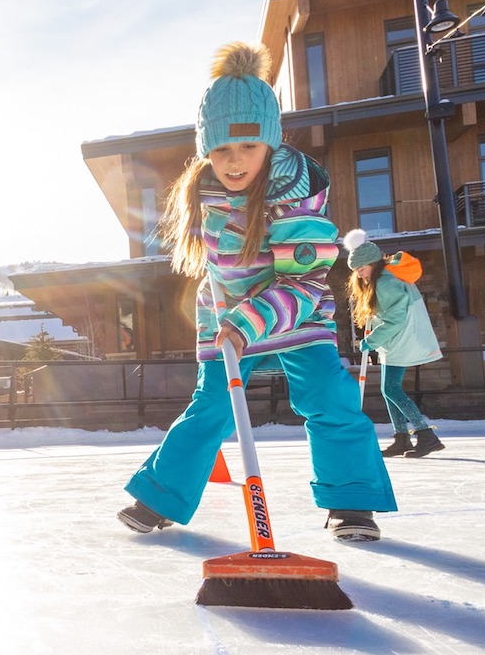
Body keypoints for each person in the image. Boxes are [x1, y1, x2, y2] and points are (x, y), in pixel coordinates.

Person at [117, 41, 396, 542]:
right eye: (221, 149)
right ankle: (160, 496)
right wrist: (223, 316)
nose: (234, 160)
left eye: (248, 146)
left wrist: (248, 322)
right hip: (227, 319)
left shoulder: (294, 195)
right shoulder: (203, 192)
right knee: (211, 407)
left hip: (296, 314)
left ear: (270, 141)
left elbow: (304, 280)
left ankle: (351, 501)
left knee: (329, 397)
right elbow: (217, 270)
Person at [343, 229, 445, 458]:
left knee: (390, 389)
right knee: (388, 389)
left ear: (371, 263)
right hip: (400, 339)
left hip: (401, 339)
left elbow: (395, 320)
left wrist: (370, 341)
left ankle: (426, 435)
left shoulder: (385, 282)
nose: (359, 275)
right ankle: (402, 438)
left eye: (361, 269)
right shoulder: (388, 276)